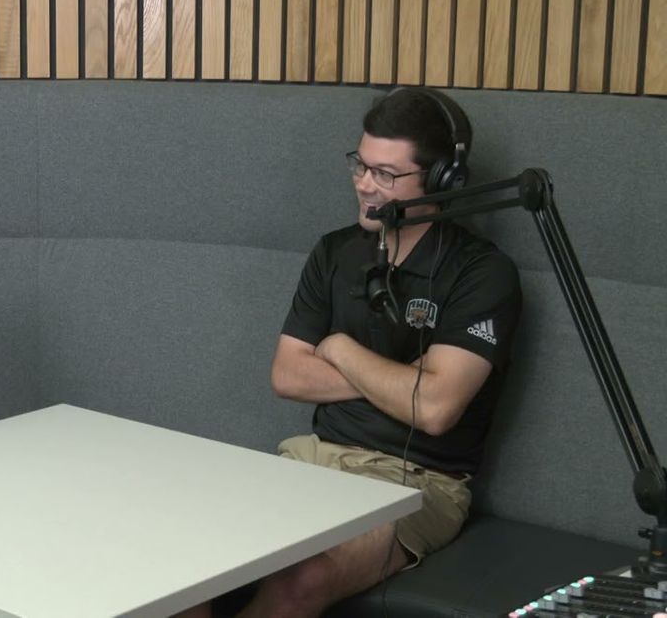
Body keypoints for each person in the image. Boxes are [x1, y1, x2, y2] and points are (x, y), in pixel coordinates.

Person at [183, 87, 522, 618]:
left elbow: (434, 410)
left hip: (417, 483)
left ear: (440, 180)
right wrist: (405, 380)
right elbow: (289, 374)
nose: (365, 184)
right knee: (187, 557)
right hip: (313, 459)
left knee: (303, 577)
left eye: (386, 174)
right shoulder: (335, 252)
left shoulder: (482, 273)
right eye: (360, 166)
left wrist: (339, 348)